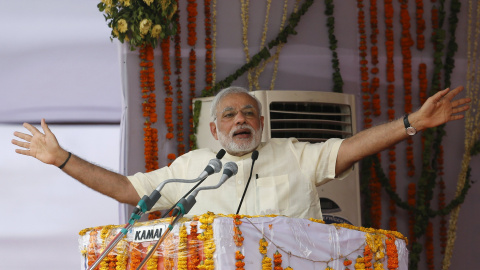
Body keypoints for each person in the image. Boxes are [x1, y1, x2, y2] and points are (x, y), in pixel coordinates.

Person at [11, 86, 471, 219]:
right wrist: (64, 159)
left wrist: (410, 123)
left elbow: (349, 149)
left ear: (262, 122)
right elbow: (129, 190)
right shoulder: (191, 168)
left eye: (249, 113)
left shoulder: (292, 153)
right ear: (214, 128)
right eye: (229, 115)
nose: (240, 121)